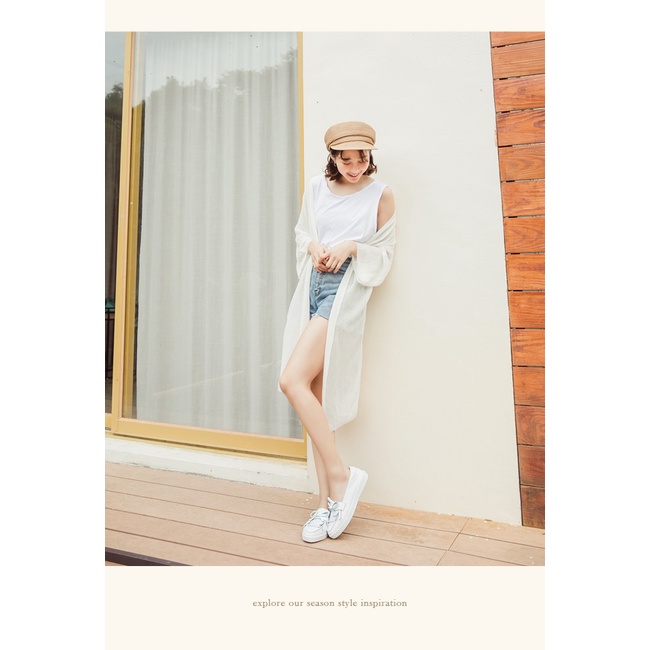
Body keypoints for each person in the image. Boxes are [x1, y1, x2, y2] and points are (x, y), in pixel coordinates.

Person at [279, 121, 396, 543]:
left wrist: (351, 247)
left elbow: (384, 253)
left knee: (291, 380)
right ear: (332, 156)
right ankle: (325, 504)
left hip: (343, 292)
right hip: (312, 285)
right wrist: (314, 246)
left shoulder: (381, 195)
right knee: (315, 396)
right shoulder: (316, 188)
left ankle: (342, 475)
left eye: (362, 158)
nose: (355, 166)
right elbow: (304, 234)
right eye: (346, 159)